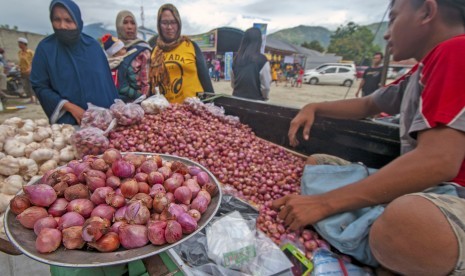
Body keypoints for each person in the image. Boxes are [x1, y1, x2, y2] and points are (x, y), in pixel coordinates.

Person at [273, 0, 465, 274]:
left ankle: (387, 243)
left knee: (408, 223)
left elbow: (439, 161)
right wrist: (313, 106)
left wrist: (325, 203)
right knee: (318, 164)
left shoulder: (457, 50)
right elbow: (369, 105)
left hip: (452, 197)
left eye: (394, 18)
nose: (387, 34)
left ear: (426, 11)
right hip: (425, 190)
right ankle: (383, 246)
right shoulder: (420, 71)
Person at [30, 0, 119, 126]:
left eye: (68, 20)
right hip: (71, 122)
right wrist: (69, 107)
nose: (62, 26)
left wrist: (115, 113)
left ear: (78, 21)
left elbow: (107, 83)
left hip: (104, 121)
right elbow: (40, 86)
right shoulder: (46, 49)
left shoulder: (93, 46)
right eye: (57, 20)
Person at [150, 3, 214, 104]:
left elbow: (205, 80)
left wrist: (212, 104)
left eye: (173, 22)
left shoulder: (191, 46)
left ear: (179, 23)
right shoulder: (154, 51)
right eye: (165, 23)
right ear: (159, 25)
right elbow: (151, 86)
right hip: (166, 115)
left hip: (194, 112)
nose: (169, 27)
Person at [115, 10, 151, 98]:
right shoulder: (113, 49)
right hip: (114, 104)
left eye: (132, 23)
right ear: (118, 26)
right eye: (125, 23)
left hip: (136, 104)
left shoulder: (143, 50)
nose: (129, 27)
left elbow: (147, 85)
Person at [231, 27, 271, 101]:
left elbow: (233, 83)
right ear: (259, 41)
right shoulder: (262, 60)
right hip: (255, 102)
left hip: (236, 99)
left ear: (244, 41)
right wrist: (265, 98)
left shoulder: (236, 59)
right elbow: (266, 87)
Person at [101, 33, 141, 102]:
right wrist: (138, 91)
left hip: (111, 95)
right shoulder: (124, 63)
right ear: (115, 53)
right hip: (124, 93)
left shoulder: (106, 64)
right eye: (122, 49)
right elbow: (132, 80)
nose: (126, 49)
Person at [17, 37, 37, 104]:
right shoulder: (19, 52)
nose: (19, 45)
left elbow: (34, 61)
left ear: (24, 44)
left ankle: (35, 99)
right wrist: (18, 66)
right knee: (26, 86)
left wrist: (30, 68)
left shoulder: (30, 52)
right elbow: (20, 61)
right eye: (19, 43)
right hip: (23, 71)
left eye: (20, 43)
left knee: (32, 85)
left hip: (30, 71)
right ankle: (31, 98)